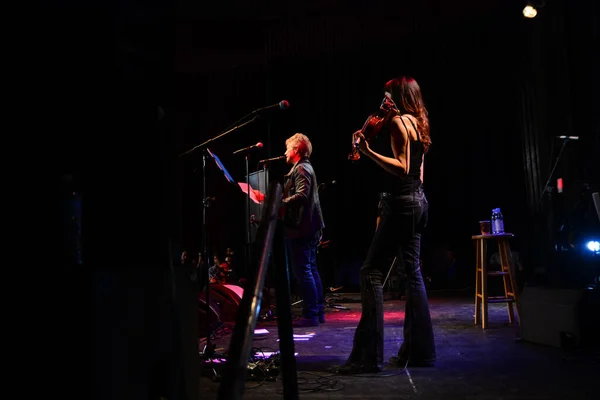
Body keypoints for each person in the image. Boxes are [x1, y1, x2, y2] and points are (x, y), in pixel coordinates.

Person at [339, 76, 436, 374]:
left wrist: (367, 152)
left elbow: (403, 168)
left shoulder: (397, 124)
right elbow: (418, 174)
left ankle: (369, 357)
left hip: (402, 204)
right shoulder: (419, 123)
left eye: (387, 96)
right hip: (418, 201)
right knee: (413, 273)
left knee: (371, 272)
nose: (384, 103)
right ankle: (421, 352)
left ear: (398, 96)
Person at [282, 133, 326, 327]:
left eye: (287, 148)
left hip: (303, 228)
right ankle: (317, 311)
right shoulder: (304, 167)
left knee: (304, 270)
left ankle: (311, 314)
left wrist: (280, 203)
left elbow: (302, 195)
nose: (284, 152)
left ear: (296, 150)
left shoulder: (301, 169)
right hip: (310, 226)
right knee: (310, 268)